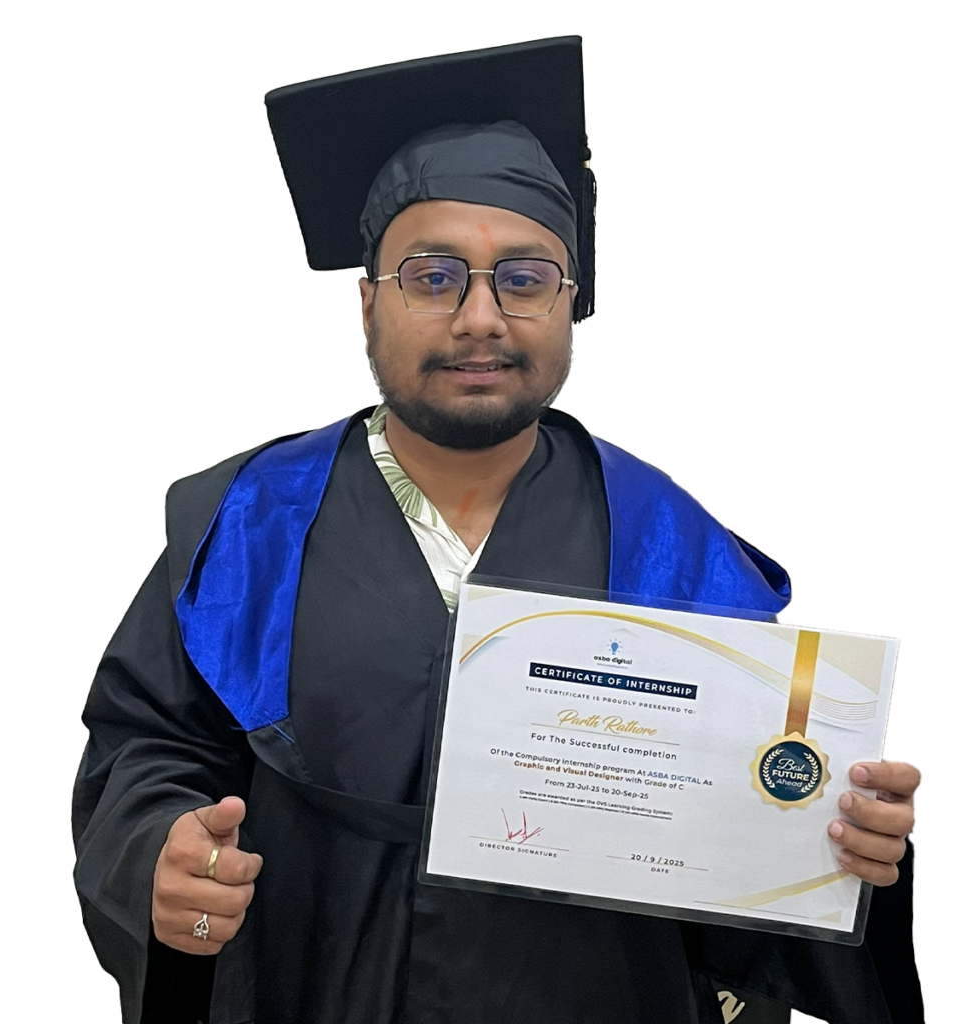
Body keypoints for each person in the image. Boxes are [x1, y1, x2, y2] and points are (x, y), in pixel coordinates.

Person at [72, 38, 923, 1024]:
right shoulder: (250, 517)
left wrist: (840, 835)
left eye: (523, 279)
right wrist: (160, 849)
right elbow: (147, 739)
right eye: (433, 277)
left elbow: (751, 819)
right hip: (312, 979)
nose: (480, 317)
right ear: (366, 302)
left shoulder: (668, 541)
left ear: (570, 307)